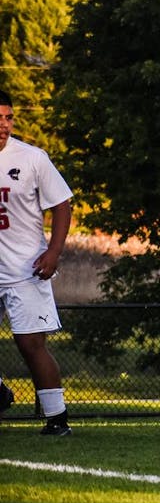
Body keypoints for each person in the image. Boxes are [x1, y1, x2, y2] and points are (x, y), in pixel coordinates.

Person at [0, 90, 74, 435]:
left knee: (31, 345)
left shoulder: (32, 157)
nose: (4, 124)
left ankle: (57, 419)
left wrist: (54, 251)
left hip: (25, 270)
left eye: (8, 117)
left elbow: (62, 204)